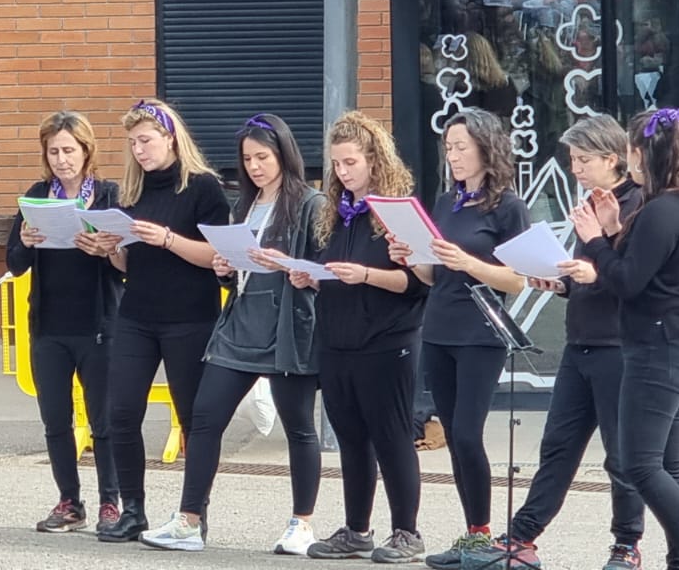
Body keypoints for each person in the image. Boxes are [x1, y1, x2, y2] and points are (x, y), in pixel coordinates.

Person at [140, 114, 326, 554]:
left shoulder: (310, 203)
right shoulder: (244, 203)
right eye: (247, 159)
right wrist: (224, 268)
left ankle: (301, 523)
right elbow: (236, 270)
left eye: (263, 157)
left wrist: (292, 268)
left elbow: (323, 270)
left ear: (283, 154)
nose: (255, 166)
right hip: (241, 323)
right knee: (204, 417)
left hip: (287, 328)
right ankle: (189, 520)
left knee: (299, 426)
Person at [478, 114, 646, 569]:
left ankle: (626, 543)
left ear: (612, 158)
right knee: (557, 445)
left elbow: (631, 277)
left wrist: (594, 268)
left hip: (617, 345)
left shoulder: (637, 204)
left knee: (622, 454)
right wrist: (559, 282)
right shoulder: (589, 202)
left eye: (584, 159)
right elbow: (585, 270)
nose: (575, 168)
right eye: (572, 159)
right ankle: (523, 536)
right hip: (580, 341)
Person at [563, 108, 679, 570]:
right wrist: (614, 230)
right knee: (669, 464)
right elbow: (647, 268)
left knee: (639, 463)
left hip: (662, 344)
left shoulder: (659, 211)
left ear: (636, 154)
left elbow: (627, 282)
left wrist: (594, 239)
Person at [388, 107, 528, 569]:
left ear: (486, 148)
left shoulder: (508, 206)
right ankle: (472, 534)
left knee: (468, 434)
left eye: (461, 147)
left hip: (480, 332)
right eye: (448, 148)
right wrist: (410, 257)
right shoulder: (446, 202)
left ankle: (483, 534)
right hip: (440, 327)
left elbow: (517, 281)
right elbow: (432, 275)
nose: (453, 156)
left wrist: (469, 263)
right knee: (451, 434)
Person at [294, 111, 429, 564]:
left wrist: (367, 275)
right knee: (350, 439)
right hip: (337, 338)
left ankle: (407, 532)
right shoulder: (336, 212)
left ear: (375, 159)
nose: (342, 172)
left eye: (350, 162)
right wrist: (311, 278)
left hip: (387, 339)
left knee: (391, 437)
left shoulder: (398, 210)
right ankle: (356, 530)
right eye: (336, 164)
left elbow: (418, 283)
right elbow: (334, 269)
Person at [95, 98, 230, 543]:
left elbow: (217, 257)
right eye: (133, 143)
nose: (139, 150)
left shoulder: (203, 188)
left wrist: (168, 238)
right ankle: (133, 509)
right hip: (137, 313)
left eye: (146, 140)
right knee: (120, 412)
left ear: (170, 138)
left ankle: (194, 514)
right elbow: (127, 265)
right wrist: (112, 249)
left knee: (193, 418)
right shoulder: (130, 193)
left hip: (190, 316)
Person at [6, 111, 123, 534]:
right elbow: (15, 264)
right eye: (54, 151)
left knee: (103, 420)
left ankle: (111, 502)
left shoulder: (109, 196)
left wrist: (105, 249)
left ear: (87, 151)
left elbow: (128, 264)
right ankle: (69, 501)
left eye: (69, 150)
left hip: (99, 323)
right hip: (50, 325)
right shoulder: (37, 196)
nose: (62, 159)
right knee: (56, 419)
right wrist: (25, 241)